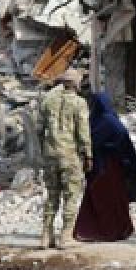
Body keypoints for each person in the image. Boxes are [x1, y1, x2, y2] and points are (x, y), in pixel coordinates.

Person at [73, 92, 136, 242]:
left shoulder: (108, 122)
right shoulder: (98, 120)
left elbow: (120, 139)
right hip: (103, 167)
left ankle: (107, 231)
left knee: (106, 200)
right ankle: (102, 230)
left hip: (108, 167)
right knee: (102, 199)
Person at [38, 69, 93, 250]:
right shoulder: (79, 103)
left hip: (50, 155)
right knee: (71, 195)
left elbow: (39, 129)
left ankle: (46, 237)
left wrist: (43, 150)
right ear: (76, 84)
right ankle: (65, 236)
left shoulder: (47, 101)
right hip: (71, 156)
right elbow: (83, 132)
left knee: (52, 195)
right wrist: (88, 155)